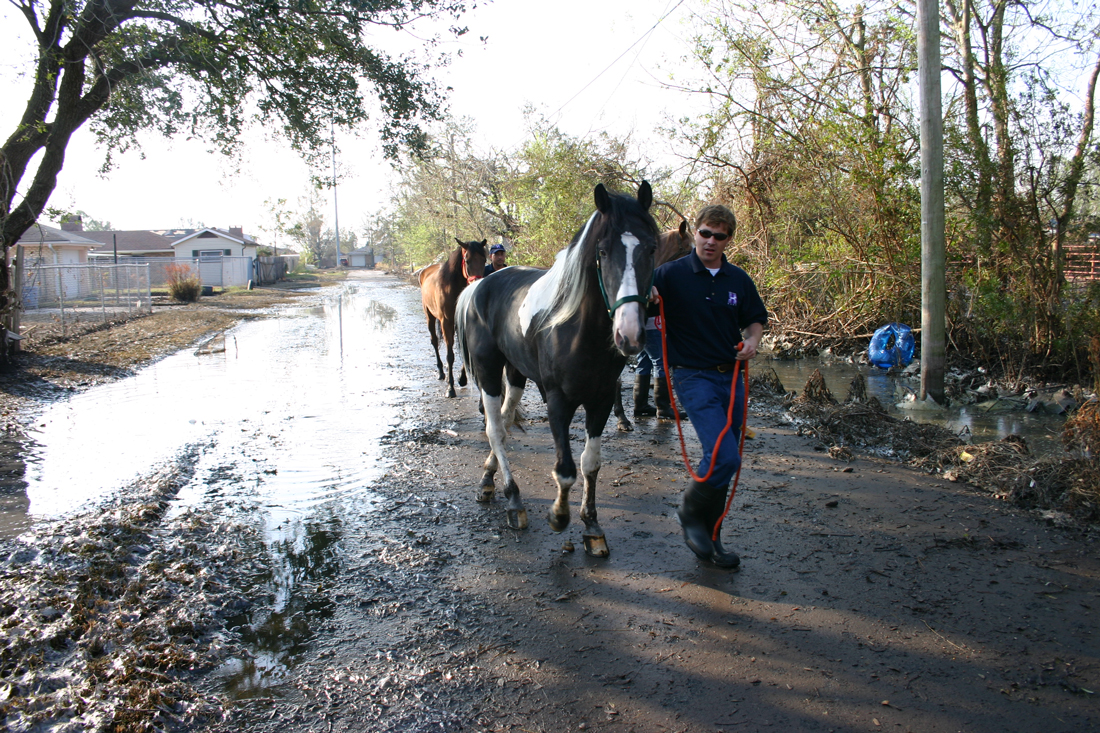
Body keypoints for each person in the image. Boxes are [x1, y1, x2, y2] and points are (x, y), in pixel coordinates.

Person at [650, 204, 767, 569]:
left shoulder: (738, 279)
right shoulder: (668, 274)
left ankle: (713, 535)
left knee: (726, 460)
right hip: (691, 375)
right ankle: (688, 512)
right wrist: (647, 296)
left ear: (729, 239)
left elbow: (754, 320)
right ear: (695, 232)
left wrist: (753, 341)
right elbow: (637, 300)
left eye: (720, 236)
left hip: (731, 375)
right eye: (705, 233)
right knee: (724, 454)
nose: (711, 241)